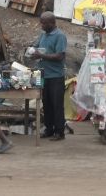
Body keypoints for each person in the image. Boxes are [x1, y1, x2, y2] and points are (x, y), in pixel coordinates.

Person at [33, 12, 67, 140]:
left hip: (56, 76)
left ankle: (60, 132)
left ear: (52, 23)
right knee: (46, 103)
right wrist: (31, 50)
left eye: (43, 23)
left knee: (57, 104)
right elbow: (36, 47)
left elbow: (59, 56)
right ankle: (49, 129)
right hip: (43, 75)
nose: (41, 25)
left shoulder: (59, 36)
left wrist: (41, 56)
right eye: (41, 22)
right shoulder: (43, 35)